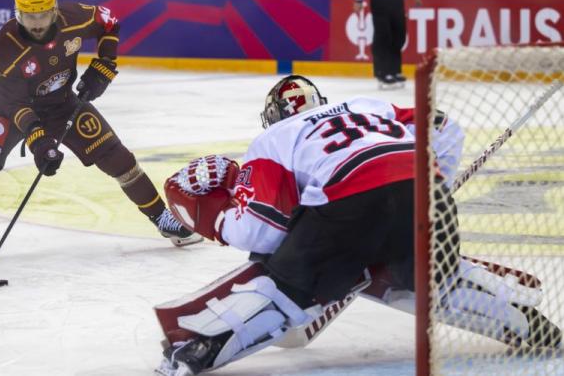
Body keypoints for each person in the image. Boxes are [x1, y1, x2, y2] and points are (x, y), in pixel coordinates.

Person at [153, 75, 561, 375]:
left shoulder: (275, 137)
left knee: (286, 285)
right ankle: (532, 325)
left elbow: (262, 229)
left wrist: (219, 220)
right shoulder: (368, 105)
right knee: (429, 279)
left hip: (348, 204)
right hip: (421, 190)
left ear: (274, 114)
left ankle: (200, 347)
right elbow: (444, 127)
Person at [0, 0, 201, 265]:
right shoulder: (5, 48)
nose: (38, 22)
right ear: (17, 13)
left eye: (43, 13)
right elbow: (14, 103)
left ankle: (161, 217)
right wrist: (40, 142)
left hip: (62, 104)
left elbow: (109, 22)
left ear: (54, 8)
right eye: (29, 15)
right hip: (8, 111)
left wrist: (104, 66)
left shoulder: (74, 17)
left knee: (116, 156)